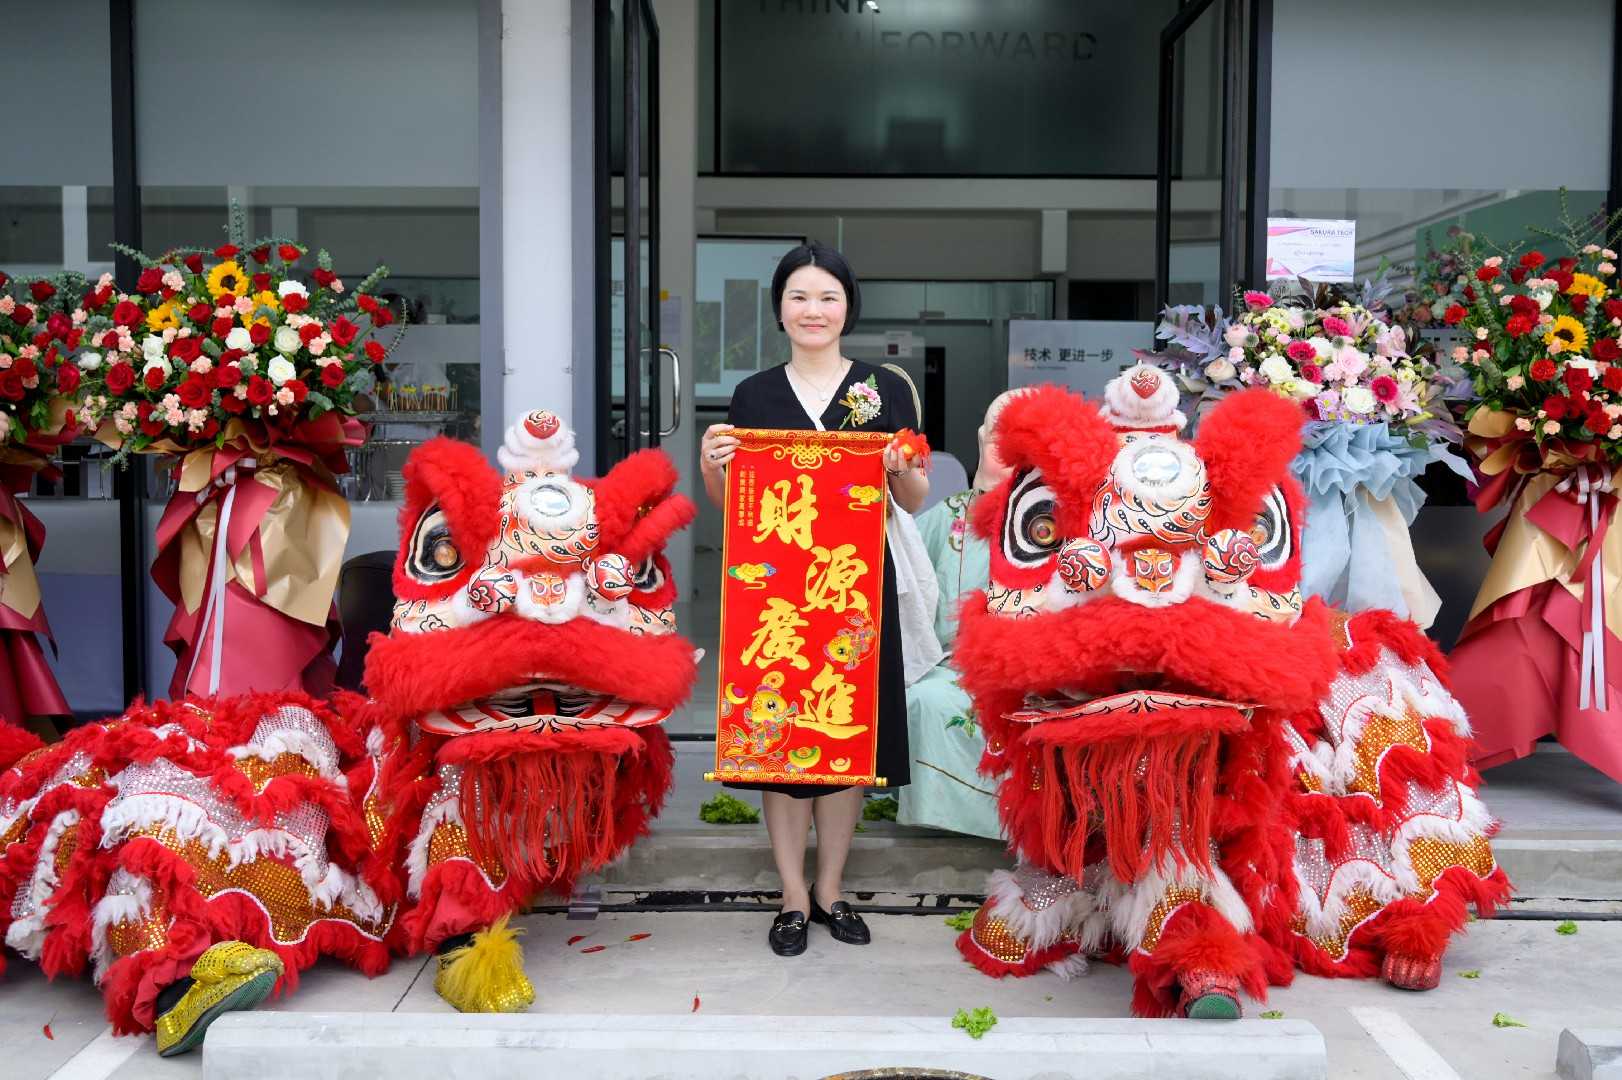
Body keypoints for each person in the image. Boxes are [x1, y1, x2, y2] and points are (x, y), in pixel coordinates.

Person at [700, 243, 927, 956]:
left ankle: (830, 889)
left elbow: (914, 497)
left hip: (856, 589)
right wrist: (712, 467)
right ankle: (792, 896)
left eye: (828, 297)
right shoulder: (754, 395)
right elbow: (733, 506)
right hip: (776, 593)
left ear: (847, 308)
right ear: (779, 309)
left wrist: (899, 467)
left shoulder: (884, 389)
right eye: (799, 296)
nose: (813, 310)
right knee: (779, 740)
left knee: (846, 735)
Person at [897, 390, 1023, 840]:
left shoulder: (1065, 517)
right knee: (926, 699)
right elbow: (904, 586)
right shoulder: (945, 518)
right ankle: (943, 814)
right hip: (954, 668)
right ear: (980, 439)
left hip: (1038, 669)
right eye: (996, 438)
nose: (1005, 452)